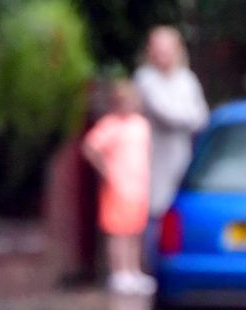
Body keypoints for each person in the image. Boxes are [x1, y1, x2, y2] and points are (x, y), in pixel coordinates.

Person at [81, 80, 155, 295]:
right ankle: (119, 272)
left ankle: (133, 270)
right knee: (118, 232)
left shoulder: (141, 125)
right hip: (118, 186)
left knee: (135, 231)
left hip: (139, 186)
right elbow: (90, 147)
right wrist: (106, 170)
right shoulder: (110, 124)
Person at [133, 26, 209, 218]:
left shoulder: (186, 78)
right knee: (156, 218)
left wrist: (188, 117)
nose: (163, 56)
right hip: (153, 164)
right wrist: (188, 116)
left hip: (182, 159)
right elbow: (167, 114)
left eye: (167, 50)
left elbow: (202, 118)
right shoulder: (145, 79)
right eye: (158, 51)